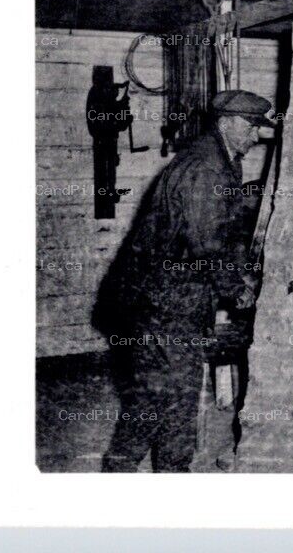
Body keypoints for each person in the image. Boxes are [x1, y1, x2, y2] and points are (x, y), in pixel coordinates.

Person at [94, 90, 274, 472]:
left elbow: (222, 230)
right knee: (172, 394)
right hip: (163, 300)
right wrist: (234, 287)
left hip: (167, 295)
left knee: (159, 394)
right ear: (227, 123)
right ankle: (158, 472)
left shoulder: (222, 162)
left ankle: (128, 471)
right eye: (251, 125)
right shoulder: (205, 168)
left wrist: (235, 270)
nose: (256, 135)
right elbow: (206, 243)